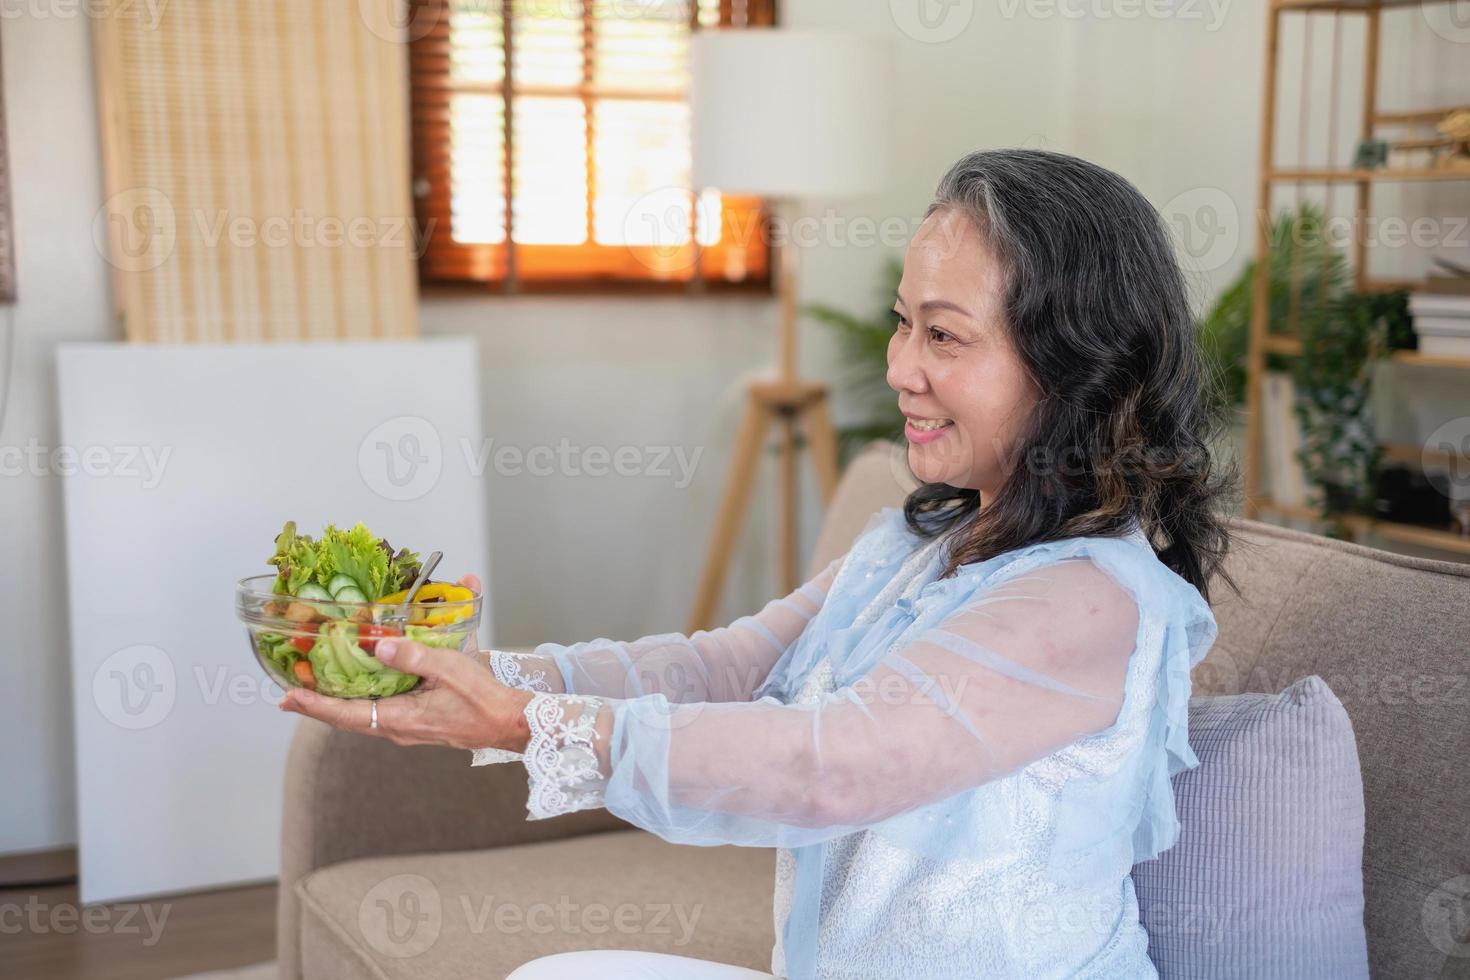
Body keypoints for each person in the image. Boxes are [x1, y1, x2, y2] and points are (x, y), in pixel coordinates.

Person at [280, 147, 1241, 979]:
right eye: (905, 323)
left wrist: (539, 722)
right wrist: (499, 679)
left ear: (1075, 366)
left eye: (944, 335)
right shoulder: (919, 546)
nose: (902, 367)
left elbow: (831, 764)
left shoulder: (1088, 599)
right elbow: (732, 668)